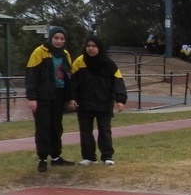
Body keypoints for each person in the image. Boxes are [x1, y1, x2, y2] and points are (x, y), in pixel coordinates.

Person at [25, 26, 77, 172]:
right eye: (56, 38)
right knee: (43, 127)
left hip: (59, 95)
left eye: (62, 39)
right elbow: (31, 75)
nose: (59, 41)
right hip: (43, 97)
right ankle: (42, 158)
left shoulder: (65, 54)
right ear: (50, 38)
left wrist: (71, 97)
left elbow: (69, 77)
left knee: (56, 127)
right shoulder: (39, 52)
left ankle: (56, 157)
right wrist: (32, 97)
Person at [71, 35, 127, 166]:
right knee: (85, 132)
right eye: (88, 46)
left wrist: (120, 100)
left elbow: (118, 82)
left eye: (94, 46)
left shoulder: (109, 63)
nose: (91, 49)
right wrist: (72, 98)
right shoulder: (79, 62)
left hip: (104, 102)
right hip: (84, 103)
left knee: (104, 131)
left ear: (99, 48)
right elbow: (72, 82)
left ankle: (107, 156)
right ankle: (89, 157)